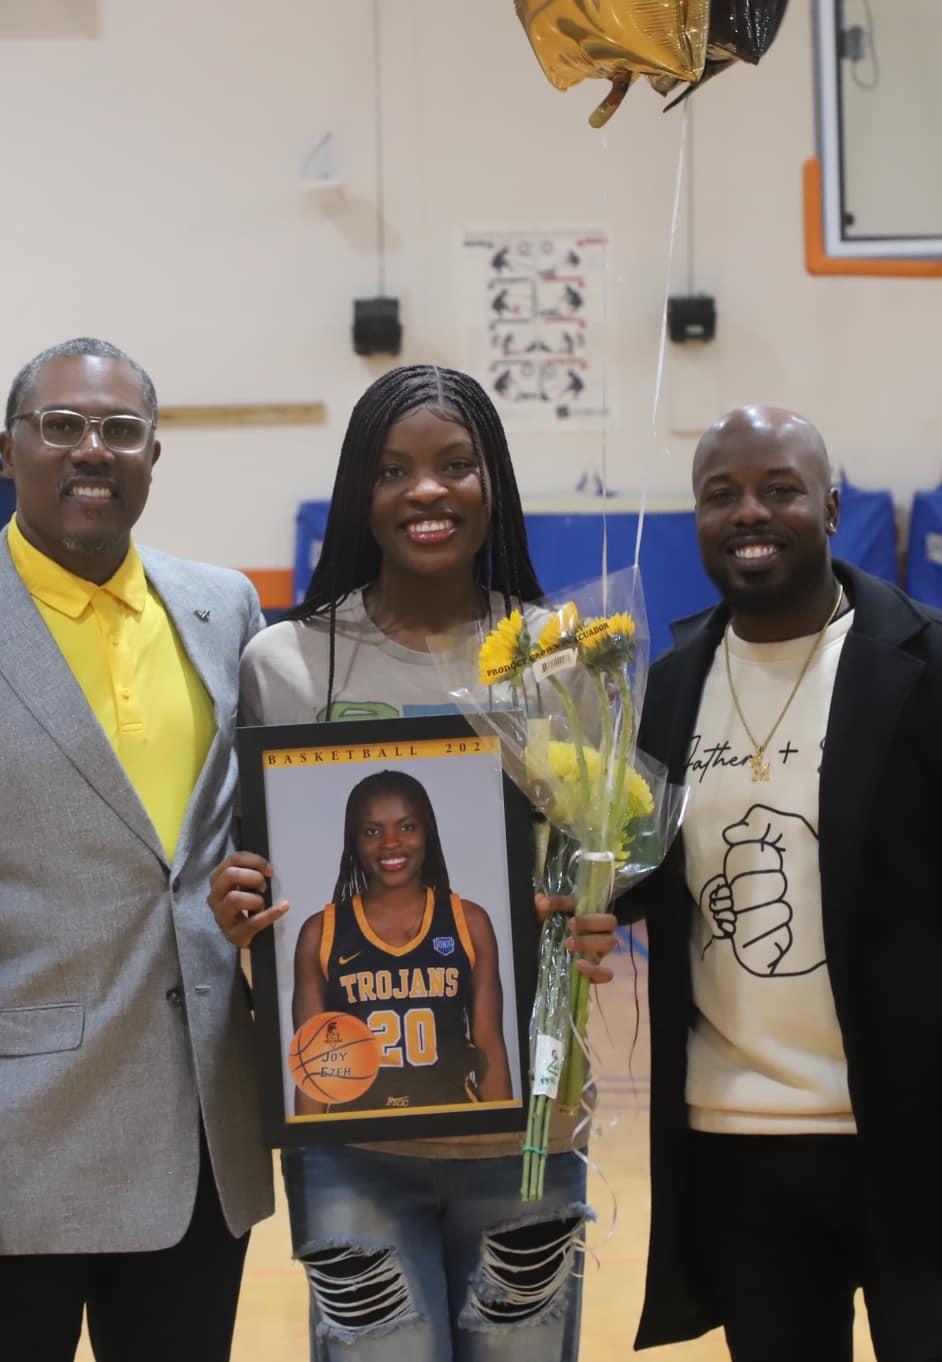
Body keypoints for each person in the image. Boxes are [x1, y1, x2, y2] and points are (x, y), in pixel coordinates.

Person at [0, 337, 272, 1362]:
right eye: (62, 425)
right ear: (8, 448)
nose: (93, 449)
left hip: (204, 1150)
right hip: (11, 1167)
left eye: (121, 430)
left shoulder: (224, 611)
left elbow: (257, 839)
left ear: (153, 456)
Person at [618, 406, 942, 1362]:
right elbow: (641, 882)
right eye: (721, 495)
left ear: (831, 508)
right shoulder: (665, 690)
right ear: (696, 521)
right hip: (734, 1144)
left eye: (779, 490)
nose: (750, 512)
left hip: (926, 1146)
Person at [207, 364, 619, 1362]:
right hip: (348, 1135)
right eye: (393, 470)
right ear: (362, 492)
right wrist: (237, 901)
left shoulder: (558, 659)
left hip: (526, 1132)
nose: (425, 490)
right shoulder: (287, 663)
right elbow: (258, 864)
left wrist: (599, 910)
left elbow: (597, 857)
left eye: (453, 465)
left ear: (492, 483)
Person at [293, 770, 513, 1115]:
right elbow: (313, 1070)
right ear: (354, 842)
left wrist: (503, 1144)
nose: (391, 843)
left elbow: (490, 1049)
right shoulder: (321, 933)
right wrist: (307, 1158)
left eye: (407, 827)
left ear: (428, 833)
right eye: (372, 831)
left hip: (453, 1130)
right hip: (355, 1138)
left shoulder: (468, 922)